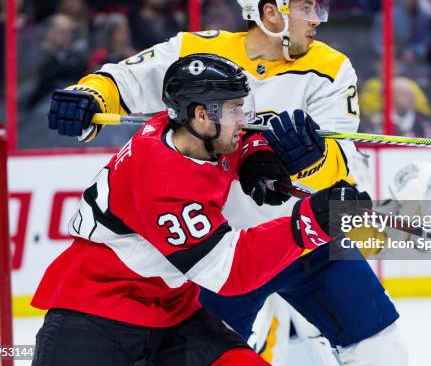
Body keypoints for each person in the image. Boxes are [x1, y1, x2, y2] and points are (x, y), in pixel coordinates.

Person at [47, 0, 406, 365]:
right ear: (271, 12)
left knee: (381, 347)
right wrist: (90, 95)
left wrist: (312, 161)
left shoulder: (332, 69)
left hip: (311, 240)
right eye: (306, 8)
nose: (316, 20)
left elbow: (340, 161)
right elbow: (126, 80)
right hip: (230, 251)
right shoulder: (200, 54)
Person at [34, 53, 367, 365]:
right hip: (96, 321)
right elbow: (230, 270)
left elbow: (236, 141)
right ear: (201, 115)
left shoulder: (186, 131)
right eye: (236, 109)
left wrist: (255, 154)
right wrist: (308, 225)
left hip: (173, 315)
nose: (245, 119)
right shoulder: (163, 180)